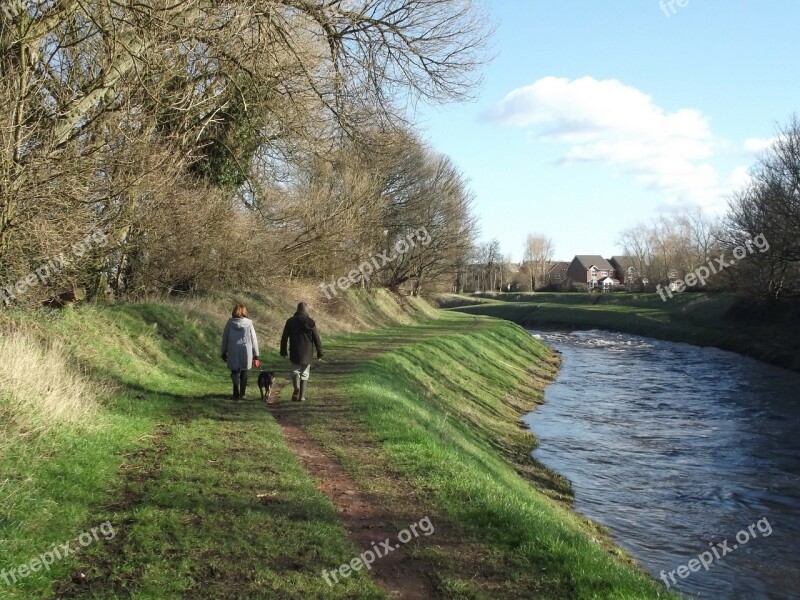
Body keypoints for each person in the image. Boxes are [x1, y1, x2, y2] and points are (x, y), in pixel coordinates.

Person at [280, 302, 323, 402]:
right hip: (307, 351)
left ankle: (296, 388)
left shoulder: (290, 321)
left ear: (297, 309)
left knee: (295, 371)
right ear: (306, 310)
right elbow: (316, 337)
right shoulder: (311, 322)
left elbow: (284, 337)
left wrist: (283, 351)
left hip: (295, 351)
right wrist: (319, 352)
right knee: (305, 373)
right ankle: (302, 397)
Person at [221, 303, 260, 399]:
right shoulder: (249, 324)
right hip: (245, 349)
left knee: (234, 370)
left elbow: (225, 337)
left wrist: (223, 351)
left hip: (233, 349)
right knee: (244, 370)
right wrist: (256, 355)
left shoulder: (230, 323)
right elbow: (253, 339)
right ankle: (243, 394)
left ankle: (235, 389)